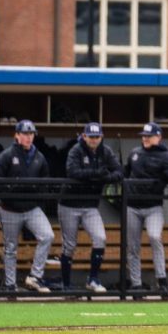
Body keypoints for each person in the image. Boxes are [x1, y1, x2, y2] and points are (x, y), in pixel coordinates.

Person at [0, 119, 55, 294]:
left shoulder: (39, 157)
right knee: (11, 248)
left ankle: (34, 276)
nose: (28, 137)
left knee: (47, 235)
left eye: (31, 134)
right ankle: (10, 285)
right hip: (10, 209)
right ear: (17, 135)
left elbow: (46, 182)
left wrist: (36, 197)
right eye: (25, 134)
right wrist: (10, 194)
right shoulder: (6, 155)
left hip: (32, 208)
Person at [125, 122, 168, 299]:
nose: (145, 138)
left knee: (154, 237)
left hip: (153, 207)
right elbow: (126, 173)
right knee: (133, 246)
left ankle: (162, 280)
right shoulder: (135, 153)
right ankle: (136, 284)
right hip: (133, 206)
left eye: (149, 135)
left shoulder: (165, 155)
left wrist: (165, 176)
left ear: (158, 137)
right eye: (143, 135)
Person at [63, 122, 123, 293]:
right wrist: (97, 175)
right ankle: (66, 285)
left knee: (100, 238)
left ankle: (93, 279)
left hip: (90, 205)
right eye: (91, 137)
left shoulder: (106, 151)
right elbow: (72, 172)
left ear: (101, 137)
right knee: (69, 245)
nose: (94, 140)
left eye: (97, 137)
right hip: (70, 204)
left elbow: (119, 172)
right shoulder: (76, 150)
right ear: (84, 136)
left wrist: (106, 177)